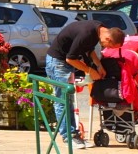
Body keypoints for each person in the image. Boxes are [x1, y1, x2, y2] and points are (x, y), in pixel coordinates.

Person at [45, 21, 125, 149]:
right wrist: (90, 70)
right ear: (108, 38)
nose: (106, 48)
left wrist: (99, 65)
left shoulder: (99, 29)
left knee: (69, 99)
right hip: (58, 62)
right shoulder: (86, 34)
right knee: (63, 100)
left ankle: (74, 135)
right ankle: (69, 137)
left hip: (65, 63)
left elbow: (89, 49)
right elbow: (70, 58)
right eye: (109, 46)